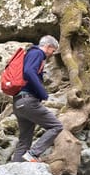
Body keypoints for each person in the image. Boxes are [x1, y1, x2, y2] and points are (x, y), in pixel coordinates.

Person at [12, 35, 63, 163]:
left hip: (18, 103)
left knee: (24, 140)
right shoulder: (37, 53)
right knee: (56, 126)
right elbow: (29, 71)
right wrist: (42, 93)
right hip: (29, 102)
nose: (52, 54)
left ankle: (13, 171)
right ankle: (33, 154)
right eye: (53, 50)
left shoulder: (29, 54)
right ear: (48, 46)